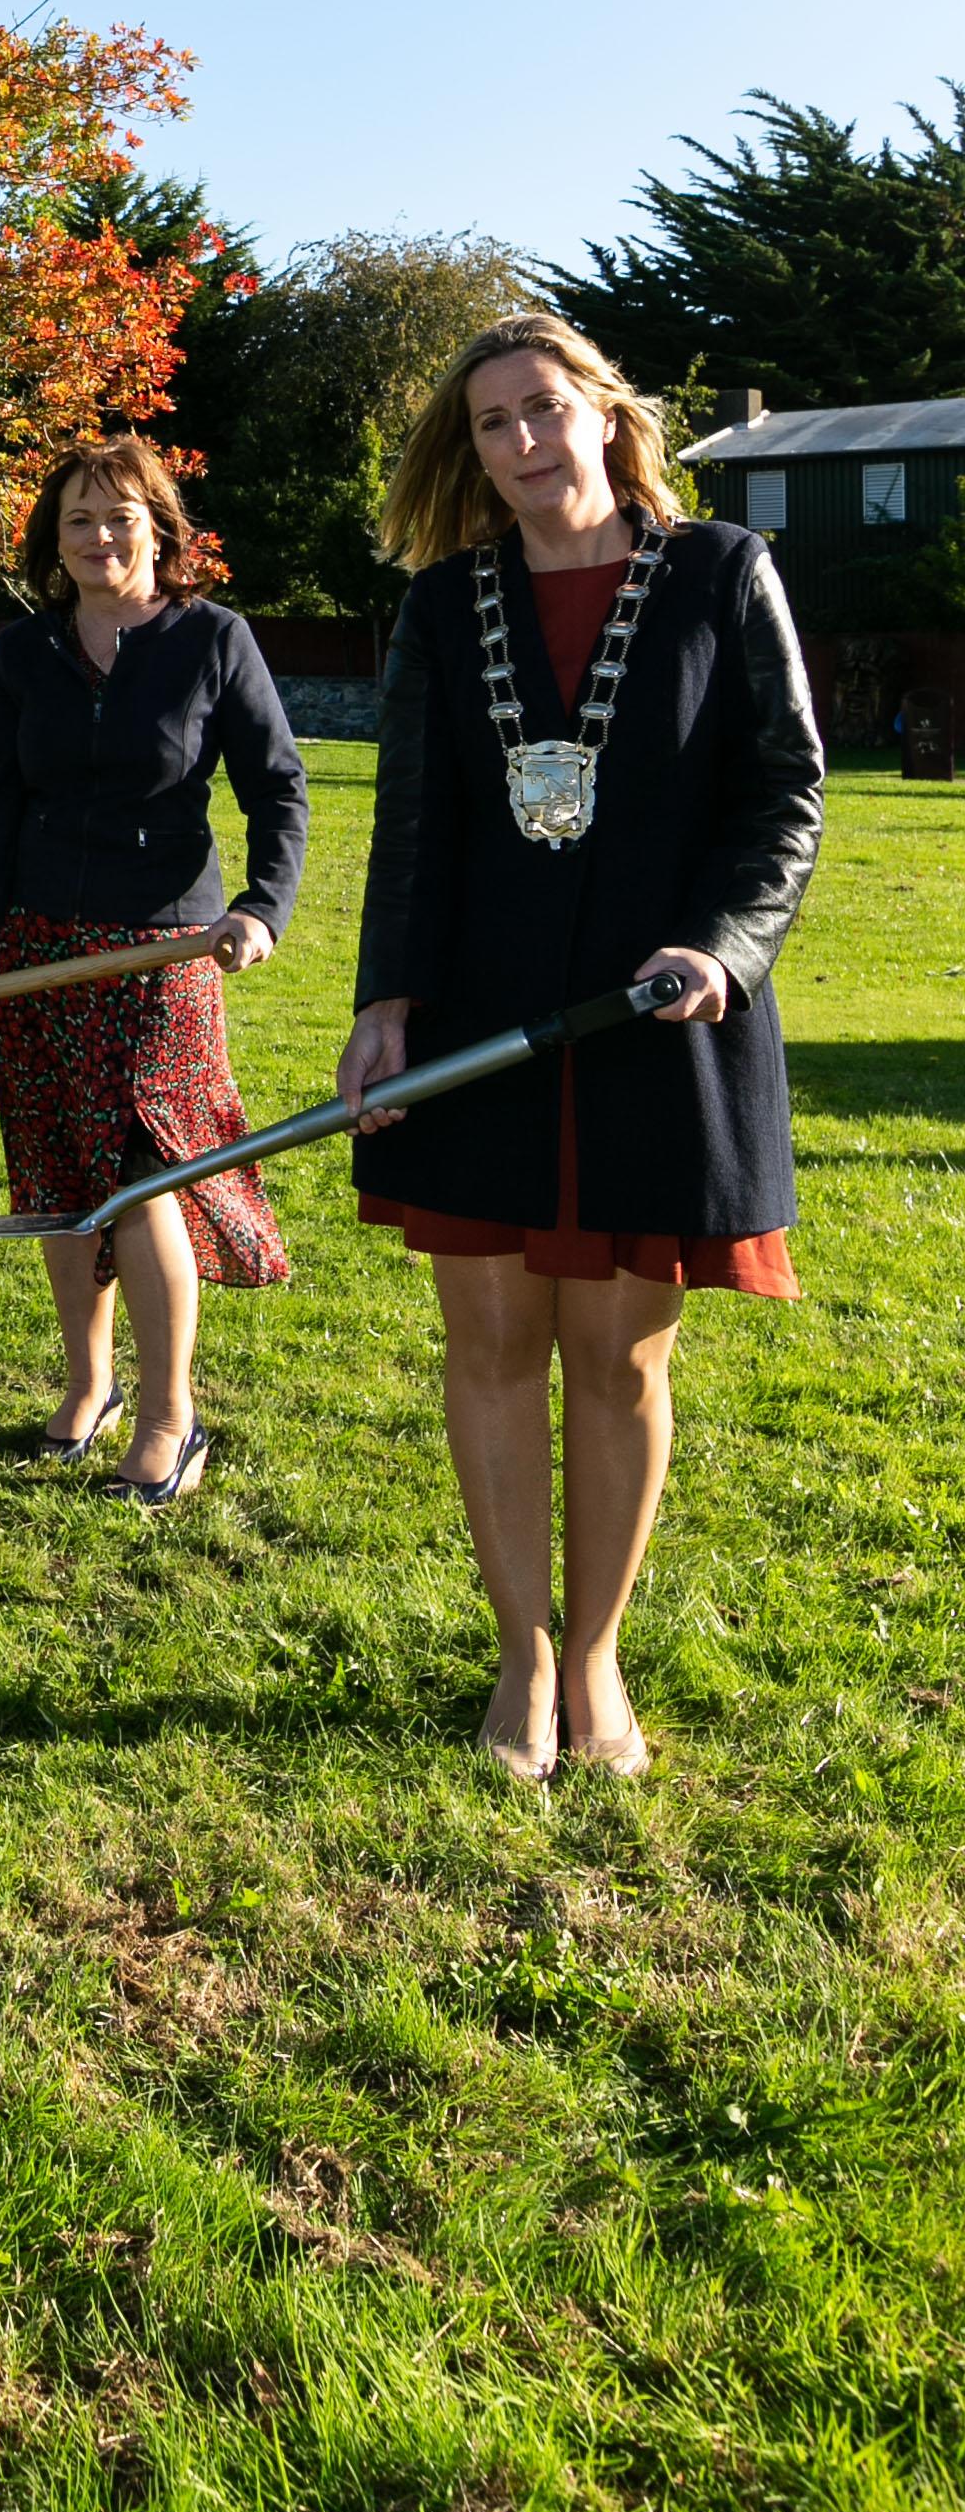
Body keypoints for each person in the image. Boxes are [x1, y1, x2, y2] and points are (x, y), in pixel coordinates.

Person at [338, 311, 823, 1783]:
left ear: (609, 414)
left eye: (546, 408)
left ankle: (598, 1660)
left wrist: (723, 952)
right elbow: (412, 822)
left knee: (615, 1359)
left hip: (656, 1020)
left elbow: (784, 795)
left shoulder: (725, 574)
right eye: (493, 424)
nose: (524, 442)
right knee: (488, 1344)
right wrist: (385, 1000)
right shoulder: (442, 605)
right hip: (481, 1018)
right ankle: (521, 1657)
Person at [0, 436, 309, 1495]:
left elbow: (279, 789)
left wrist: (260, 907)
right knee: (57, 1169)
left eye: (122, 516)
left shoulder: (213, 641)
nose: (100, 537)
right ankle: (87, 1385)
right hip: (34, 950)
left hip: (163, 950)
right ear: (56, 538)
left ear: (161, 529)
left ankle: (172, 1414)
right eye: (80, 520)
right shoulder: (24, 653)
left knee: (147, 1176)